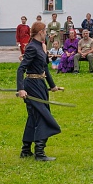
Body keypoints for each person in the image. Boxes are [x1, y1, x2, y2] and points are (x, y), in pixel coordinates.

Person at [16, 21, 62, 161]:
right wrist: (21, 89)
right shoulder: (31, 47)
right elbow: (21, 68)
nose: (47, 34)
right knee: (42, 116)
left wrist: (52, 86)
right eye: (46, 31)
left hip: (40, 85)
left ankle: (25, 150)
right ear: (41, 32)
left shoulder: (41, 47)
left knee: (34, 116)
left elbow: (45, 68)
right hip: (32, 85)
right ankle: (40, 153)